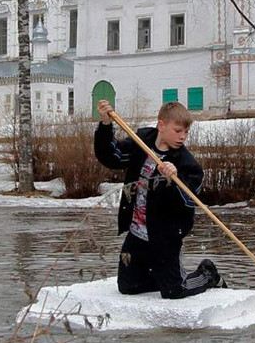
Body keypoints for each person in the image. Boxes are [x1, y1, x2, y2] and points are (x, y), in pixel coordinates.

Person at [94, 99, 226, 299]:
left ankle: (207, 274)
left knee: (173, 291)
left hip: (166, 236)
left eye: (186, 132)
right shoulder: (141, 142)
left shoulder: (186, 164)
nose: (182, 137)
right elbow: (112, 156)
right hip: (137, 232)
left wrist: (174, 179)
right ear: (161, 125)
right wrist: (105, 125)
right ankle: (159, 274)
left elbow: (189, 201)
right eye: (178, 130)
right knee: (128, 287)